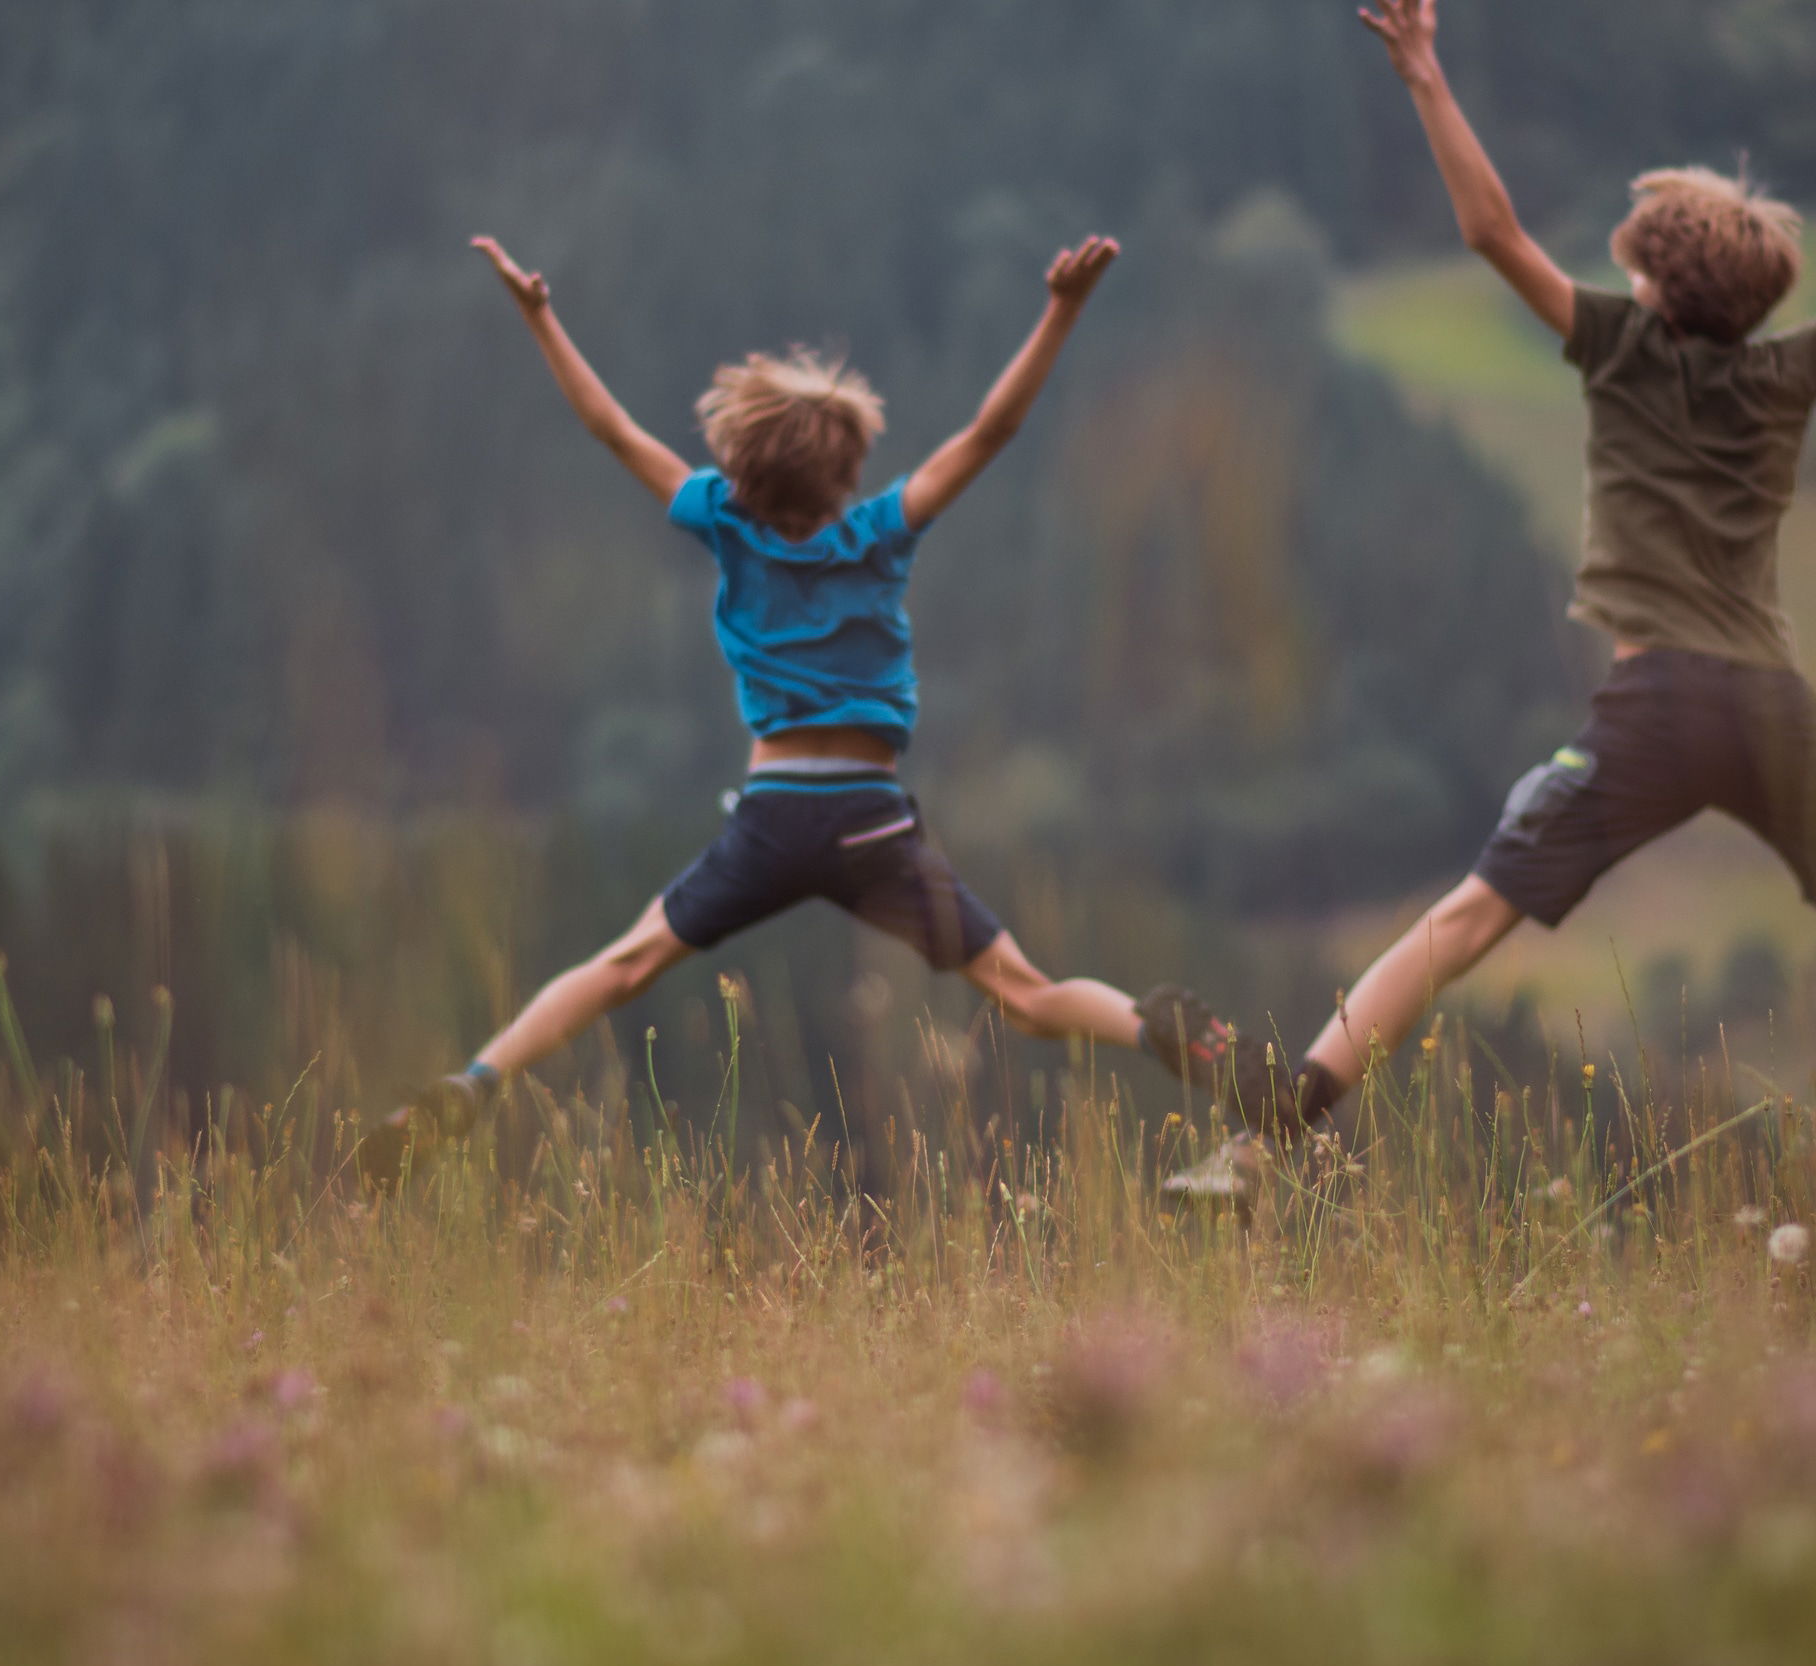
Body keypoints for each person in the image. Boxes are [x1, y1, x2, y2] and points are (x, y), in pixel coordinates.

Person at [1172, 0, 1816, 1202]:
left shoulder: (1620, 351)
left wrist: (1425, 76)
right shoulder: (1787, 372)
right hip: (1771, 709)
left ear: (1652, 276)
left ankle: (1265, 1140)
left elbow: (1490, 231)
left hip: (1654, 714)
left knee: (1464, 920)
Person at [366, 233, 1235, 1186]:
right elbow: (992, 431)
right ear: (849, 470)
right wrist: (1063, 308)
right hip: (870, 824)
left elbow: (613, 430)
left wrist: (541, 317)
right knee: (1024, 995)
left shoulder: (721, 524)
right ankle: (1150, 1024)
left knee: (622, 966)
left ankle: (477, 1080)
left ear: (742, 470)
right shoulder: (879, 534)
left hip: (773, 822)